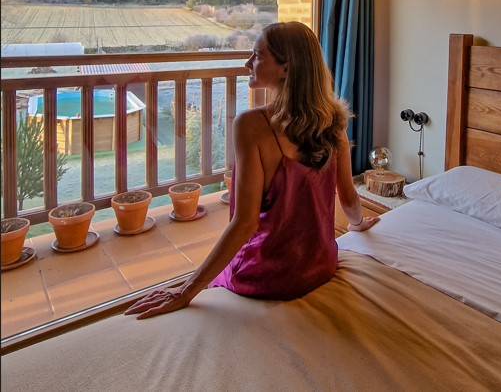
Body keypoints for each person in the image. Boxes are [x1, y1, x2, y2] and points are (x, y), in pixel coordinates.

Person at [124, 21, 379, 320]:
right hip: (320, 266)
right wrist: (358, 224)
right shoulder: (334, 120)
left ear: (285, 69)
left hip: (268, 277)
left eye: (257, 56)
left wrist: (185, 291)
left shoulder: (250, 126)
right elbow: (348, 197)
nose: (247, 63)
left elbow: (245, 223)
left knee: (221, 274)